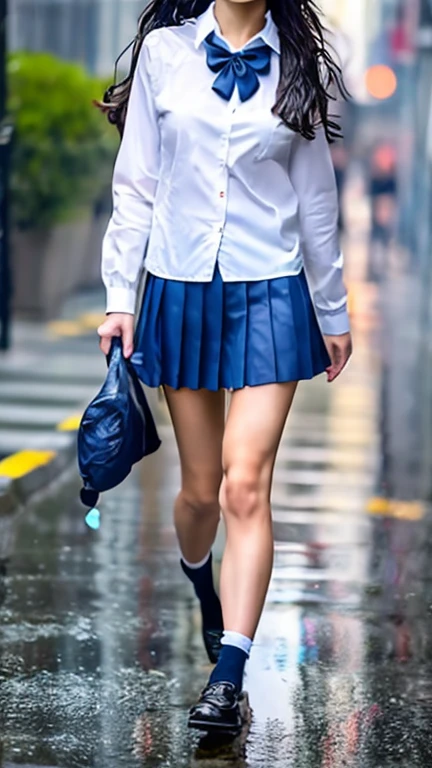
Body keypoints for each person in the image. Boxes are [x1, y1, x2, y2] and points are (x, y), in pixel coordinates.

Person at [97, 0, 353, 735]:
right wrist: (121, 297)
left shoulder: (297, 63)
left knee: (247, 484)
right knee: (200, 495)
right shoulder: (166, 55)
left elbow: (316, 201)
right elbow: (136, 185)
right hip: (179, 288)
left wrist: (331, 312)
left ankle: (229, 674)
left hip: (272, 291)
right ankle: (205, 590)